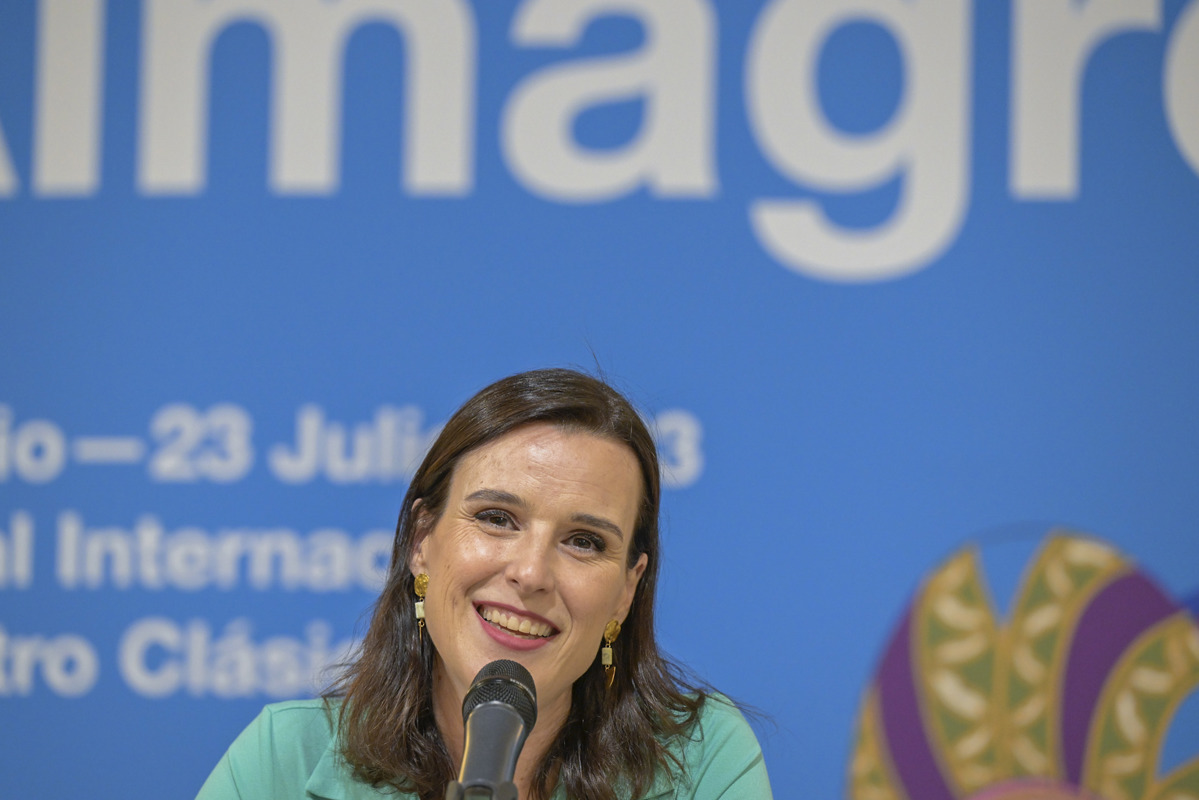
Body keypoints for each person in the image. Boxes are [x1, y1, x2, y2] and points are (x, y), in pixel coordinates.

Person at [196, 368, 772, 800]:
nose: (530, 573)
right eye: (497, 519)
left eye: (584, 541)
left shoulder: (703, 760)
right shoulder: (283, 759)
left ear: (627, 589)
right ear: (422, 542)